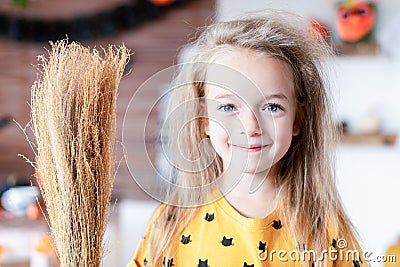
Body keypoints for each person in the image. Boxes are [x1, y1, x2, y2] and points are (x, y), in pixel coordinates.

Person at [127, 11, 367, 267]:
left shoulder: (325, 229)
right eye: (229, 107)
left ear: (297, 120)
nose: (251, 127)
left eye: (272, 107)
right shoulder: (171, 222)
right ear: (204, 119)